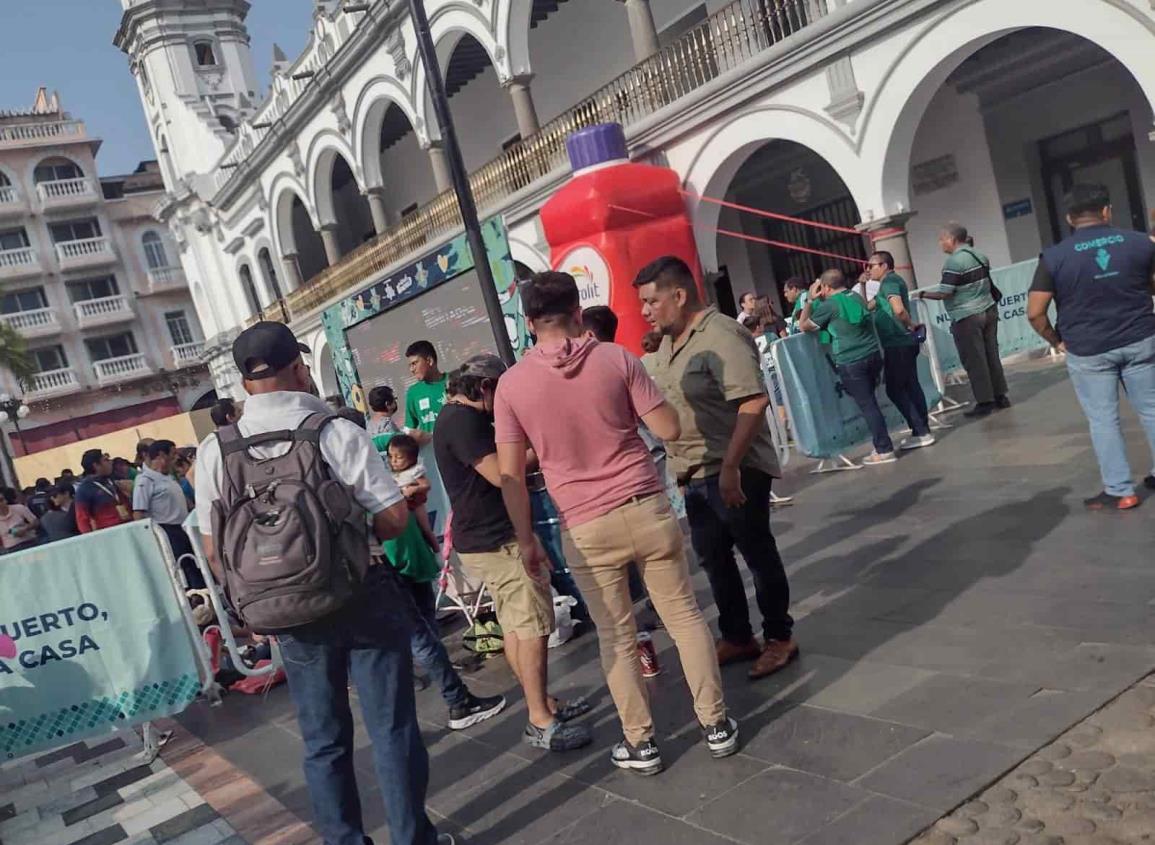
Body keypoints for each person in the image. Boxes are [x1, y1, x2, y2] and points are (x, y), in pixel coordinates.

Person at [193, 321, 450, 845]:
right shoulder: (334, 432)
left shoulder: (215, 452)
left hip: (287, 613)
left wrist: (262, 596)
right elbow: (394, 521)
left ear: (245, 384)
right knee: (392, 728)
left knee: (322, 740)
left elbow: (213, 549)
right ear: (297, 368)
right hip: (362, 595)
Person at [497, 270, 736, 776]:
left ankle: (641, 743)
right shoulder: (616, 359)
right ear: (577, 311)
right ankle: (716, 726)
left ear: (529, 321)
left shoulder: (511, 386)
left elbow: (511, 475)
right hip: (645, 505)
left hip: (585, 527)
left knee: (617, 635)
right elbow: (668, 428)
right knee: (685, 618)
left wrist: (526, 540)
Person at [635, 256, 797, 679]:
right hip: (693, 473)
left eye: (652, 301)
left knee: (756, 553)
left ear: (680, 295)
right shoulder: (666, 345)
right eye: (643, 304)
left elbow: (753, 401)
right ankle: (739, 636)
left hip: (735, 469)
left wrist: (730, 468)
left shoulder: (721, 334)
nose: (645, 311)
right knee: (714, 559)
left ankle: (780, 636)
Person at [434, 355, 593, 754]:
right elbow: (502, 473)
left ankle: (542, 703)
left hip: (484, 539)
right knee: (534, 625)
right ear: (485, 388)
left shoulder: (454, 418)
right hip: (496, 540)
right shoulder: (464, 421)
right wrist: (547, 443)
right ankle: (540, 719)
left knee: (515, 625)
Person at [1028, 183, 1155, 511]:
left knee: (1103, 419)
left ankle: (1120, 490)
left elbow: (1035, 312)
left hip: (1088, 349)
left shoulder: (1054, 257)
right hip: (1141, 339)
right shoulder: (1141, 243)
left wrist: (1056, 341)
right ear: (1106, 211)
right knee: (1152, 409)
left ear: (1070, 218)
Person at [800, 269, 896, 464]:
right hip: (872, 354)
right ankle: (883, 443)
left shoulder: (830, 305)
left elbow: (804, 325)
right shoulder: (857, 296)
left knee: (868, 405)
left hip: (850, 360)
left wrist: (810, 301)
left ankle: (884, 448)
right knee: (872, 403)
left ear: (826, 287)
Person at [917, 222, 1009, 417]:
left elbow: (945, 293)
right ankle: (1001, 395)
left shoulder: (953, 263)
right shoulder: (979, 255)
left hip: (967, 316)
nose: (940, 243)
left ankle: (985, 401)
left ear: (951, 239)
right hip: (989, 310)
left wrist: (923, 294)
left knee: (975, 360)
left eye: (942, 239)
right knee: (992, 355)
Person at [865, 251, 934, 450]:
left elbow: (898, 309)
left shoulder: (890, 283)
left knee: (895, 389)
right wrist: (862, 286)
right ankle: (922, 429)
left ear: (884, 265)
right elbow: (867, 306)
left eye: (872, 266)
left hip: (898, 342)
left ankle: (920, 430)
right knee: (910, 385)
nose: (868, 270)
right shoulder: (884, 287)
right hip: (899, 342)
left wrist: (910, 325)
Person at [133, 439, 203, 588]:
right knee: (185, 568)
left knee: (196, 563)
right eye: (172, 455)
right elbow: (139, 512)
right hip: (168, 529)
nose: (174, 460)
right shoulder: (145, 481)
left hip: (183, 526)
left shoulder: (168, 477)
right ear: (161, 456)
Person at [386, 434, 438, 560]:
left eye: (399, 457)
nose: (393, 461)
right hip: (401, 506)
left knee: (425, 528)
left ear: (411, 458)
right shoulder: (391, 473)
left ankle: (437, 551)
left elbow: (426, 485)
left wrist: (413, 488)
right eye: (390, 456)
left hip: (415, 505)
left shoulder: (414, 471)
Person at [75, 449, 133, 534]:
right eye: (106, 460)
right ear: (96, 465)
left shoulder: (112, 479)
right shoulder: (84, 489)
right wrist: (91, 539)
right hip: (110, 533)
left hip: (129, 526)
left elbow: (126, 501)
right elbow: (82, 519)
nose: (111, 463)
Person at [404, 340, 448, 447]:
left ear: (429, 360)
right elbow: (409, 430)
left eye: (414, 363)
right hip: (432, 457)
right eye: (410, 365)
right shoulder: (413, 392)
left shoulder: (455, 382)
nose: (412, 369)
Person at [0, 487, 38, 553]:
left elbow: (36, 522)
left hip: (29, 543)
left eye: (1, 500)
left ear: (6, 500)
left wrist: (25, 528)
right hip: (11, 549)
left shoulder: (19, 508)